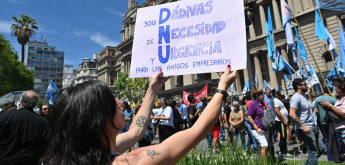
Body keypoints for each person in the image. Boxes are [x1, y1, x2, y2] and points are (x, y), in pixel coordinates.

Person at [43, 65, 237, 164]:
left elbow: (136, 130)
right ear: (97, 119)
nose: (121, 103)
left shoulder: (79, 152)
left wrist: (152, 89)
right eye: (112, 102)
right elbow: (195, 132)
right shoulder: (132, 161)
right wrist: (222, 88)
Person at [0, 91, 48, 165]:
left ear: (20, 101)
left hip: (6, 160)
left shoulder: (4, 117)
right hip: (31, 161)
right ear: (35, 104)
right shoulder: (43, 122)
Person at [289, 78, 325, 165]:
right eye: (304, 84)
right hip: (304, 128)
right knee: (313, 151)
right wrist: (303, 126)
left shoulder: (304, 96)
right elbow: (292, 114)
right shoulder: (296, 98)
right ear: (298, 86)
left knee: (321, 149)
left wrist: (315, 111)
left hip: (312, 127)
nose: (307, 86)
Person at [314, 86, 343, 162]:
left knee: (327, 139)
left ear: (323, 92)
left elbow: (316, 111)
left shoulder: (317, 99)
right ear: (330, 91)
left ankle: (330, 156)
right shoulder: (333, 99)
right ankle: (339, 155)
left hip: (323, 121)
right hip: (334, 122)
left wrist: (320, 114)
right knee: (337, 138)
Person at [319, 78, 345, 146]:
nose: (334, 88)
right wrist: (326, 107)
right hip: (340, 129)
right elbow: (337, 112)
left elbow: (344, 114)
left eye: (336, 86)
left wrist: (330, 105)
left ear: (342, 86)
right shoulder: (340, 98)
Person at [247, 88, 269, 163]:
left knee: (263, 147)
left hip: (264, 127)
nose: (263, 95)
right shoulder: (253, 104)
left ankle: (264, 161)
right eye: (261, 94)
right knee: (265, 146)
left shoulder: (262, 103)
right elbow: (249, 116)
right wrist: (257, 128)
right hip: (257, 128)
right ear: (256, 95)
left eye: (262, 94)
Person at [273, 90, 289, 157]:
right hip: (280, 121)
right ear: (275, 94)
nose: (279, 94)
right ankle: (283, 151)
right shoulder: (276, 101)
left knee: (283, 135)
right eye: (278, 93)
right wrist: (283, 119)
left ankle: (284, 150)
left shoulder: (277, 100)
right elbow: (276, 110)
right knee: (282, 136)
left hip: (282, 120)